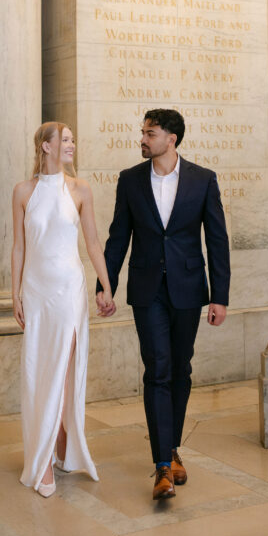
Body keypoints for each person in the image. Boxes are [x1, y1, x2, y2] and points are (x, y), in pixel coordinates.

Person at [97, 108, 230, 500]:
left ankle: (171, 449)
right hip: (147, 289)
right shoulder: (130, 180)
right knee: (157, 368)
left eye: (150, 133)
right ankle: (161, 468)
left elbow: (217, 240)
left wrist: (219, 295)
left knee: (180, 369)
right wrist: (105, 286)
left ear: (171, 138)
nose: (143, 139)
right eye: (142, 132)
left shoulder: (203, 180)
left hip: (189, 288)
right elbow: (117, 238)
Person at [12, 122, 114, 497]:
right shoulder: (24, 191)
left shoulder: (81, 189)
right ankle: (57, 444)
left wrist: (104, 285)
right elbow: (19, 247)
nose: (71, 144)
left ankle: (50, 460)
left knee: (63, 370)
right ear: (45, 146)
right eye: (65, 139)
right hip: (37, 292)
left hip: (70, 290)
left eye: (73, 139)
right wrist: (15, 294)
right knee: (39, 369)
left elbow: (92, 243)